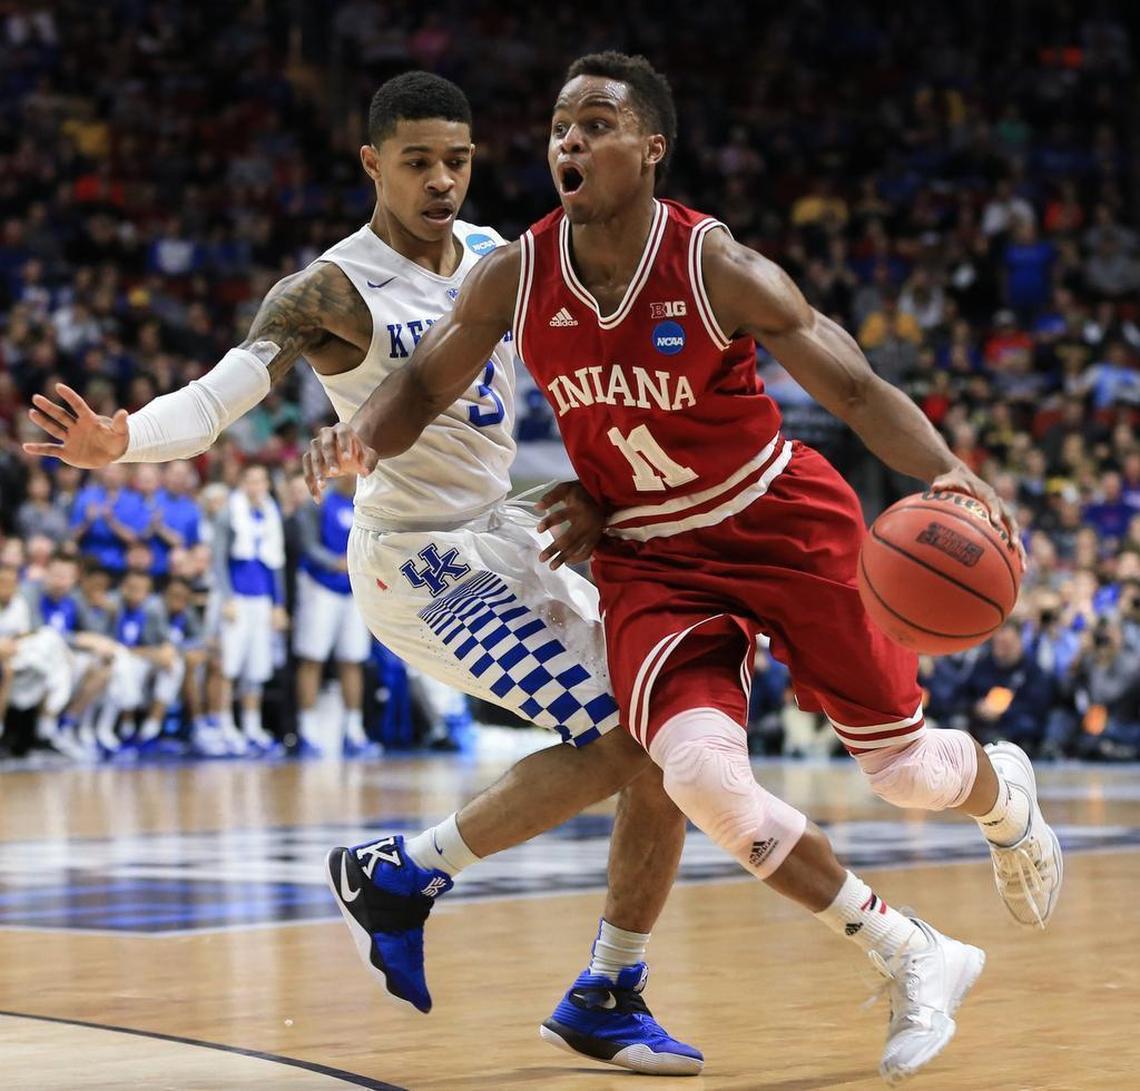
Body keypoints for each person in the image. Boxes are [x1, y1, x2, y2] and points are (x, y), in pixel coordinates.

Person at [302, 53, 1063, 1084]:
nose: (569, 141)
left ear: (651, 146)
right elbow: (424, 384)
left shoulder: (717, 266)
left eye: (597, 124)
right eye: (562, 126)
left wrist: (961, 479)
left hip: (780, 522)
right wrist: (358, 440)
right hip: (651, 558)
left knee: (905, 772)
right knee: (696, 771)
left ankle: (1002, 794)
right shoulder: (515, 273)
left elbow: (855, 386)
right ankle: (913, 950)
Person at [23, 72, 699, 1075]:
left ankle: (604, 982)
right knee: (621, 737)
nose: (441, 180)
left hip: (505, 530)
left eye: (458, 160)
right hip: (417, 560)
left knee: (671, 729)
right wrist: (121, 439)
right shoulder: (331, 287)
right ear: (372, 163)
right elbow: (223, 396)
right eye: (418, 160)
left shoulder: (493, 257)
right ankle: (408, 874)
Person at [292, 474, 375, 756]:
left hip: (354, 591)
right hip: (320, 588)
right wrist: (335, 563)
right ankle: (307, 728)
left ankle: (354, 729)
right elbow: (308, 546)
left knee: (353, 660)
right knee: (312, 658)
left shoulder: (367, 503)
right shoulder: (316, 503)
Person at [210, 463, 287, 755]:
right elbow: (218, 559)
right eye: (251, 481)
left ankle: (251, 725)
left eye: (261, 480)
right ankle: (224, 724)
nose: (256, 487)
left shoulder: (270, 513)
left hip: (262, 600)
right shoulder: (230, 512)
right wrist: (226, 597)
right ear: (242, 483)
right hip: (237, 598)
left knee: (256, 666)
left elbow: (275, 563)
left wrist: (278, 603)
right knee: (229, 665)